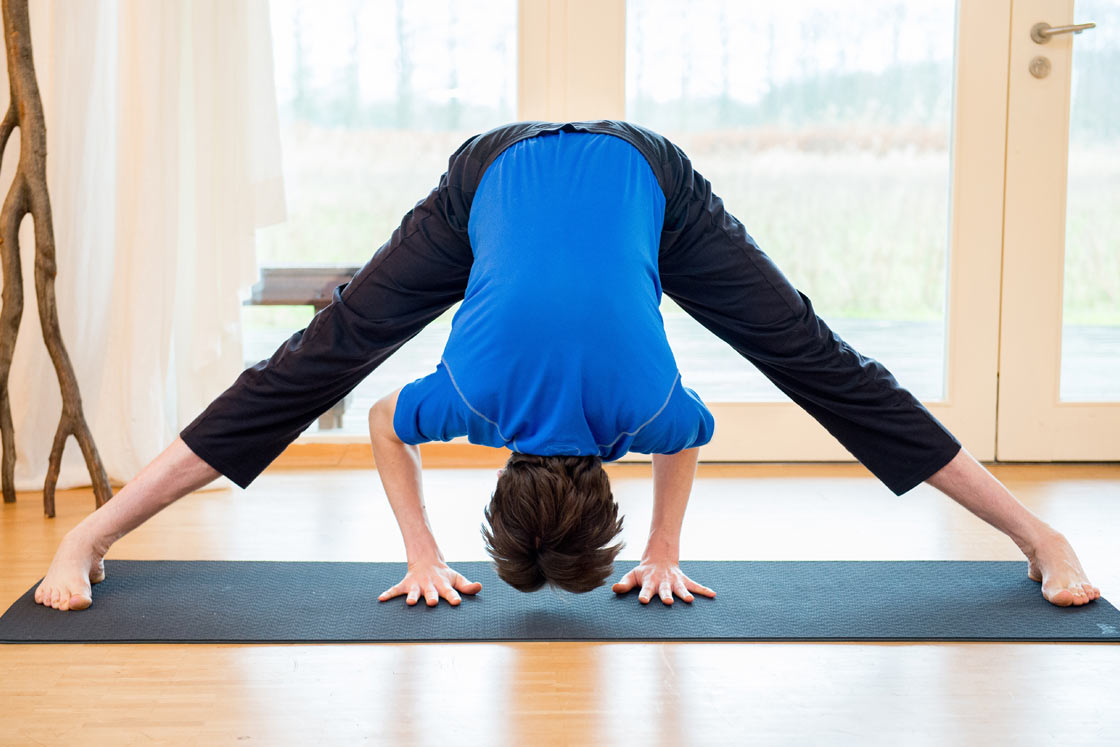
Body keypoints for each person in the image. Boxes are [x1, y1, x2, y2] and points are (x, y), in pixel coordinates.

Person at [33, 120, 1099, 613]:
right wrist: (425, 550)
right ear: (503, 480)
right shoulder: (485, 407)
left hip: (609, 181)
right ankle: (1039, 533)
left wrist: (666, 544)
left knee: (320, 359)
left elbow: (680, 445)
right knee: (816, 363)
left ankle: (89, 533)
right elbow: (393, 429)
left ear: (606, 486)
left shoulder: (638, 418)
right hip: (526, 176)